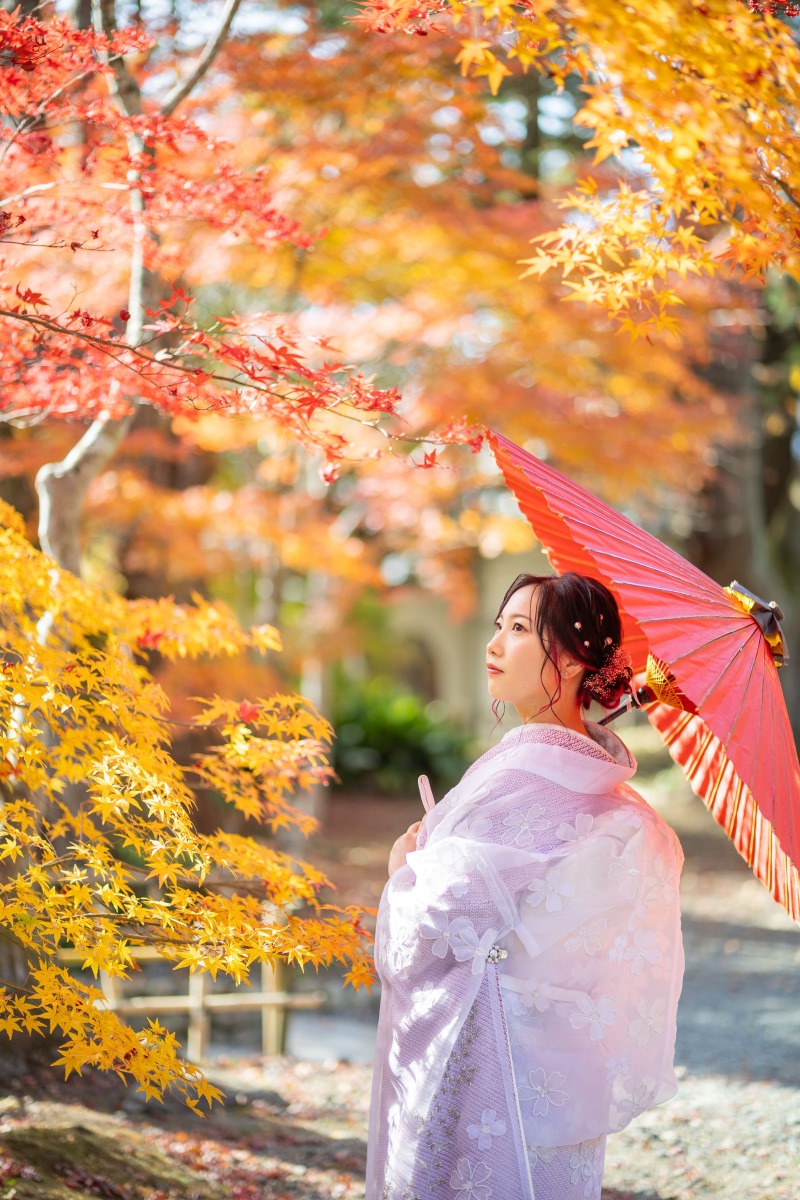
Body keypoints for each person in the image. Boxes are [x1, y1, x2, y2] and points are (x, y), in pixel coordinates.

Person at [365, 572, 684, 1200]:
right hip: (560, 1070)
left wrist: (404, 868)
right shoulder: (604, 785)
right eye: (497, 626)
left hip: (486, 1063)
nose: (494, 645)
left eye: (517, 630)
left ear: (566, 660)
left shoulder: (524, 771)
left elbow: (443, 927)